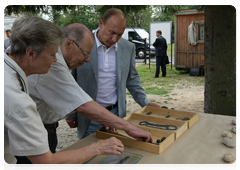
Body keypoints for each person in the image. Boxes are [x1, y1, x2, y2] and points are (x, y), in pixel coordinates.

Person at [22, 22, 153, 169]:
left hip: (43, 128)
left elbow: (72, 97)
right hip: (30, 133)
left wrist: (104, 118)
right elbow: (83, 104)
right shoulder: (53, 63)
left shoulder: (57, 59)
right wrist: (129, 128)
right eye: (85, 54)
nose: (87, 60)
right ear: (69, 44)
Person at [4, 17, 124, 170]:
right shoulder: (18, 101)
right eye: (52, 54)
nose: (55, 60)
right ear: (31, 54)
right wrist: (98, 148)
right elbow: (48, 163)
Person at [66, 8, 161, 139]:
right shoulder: (82, 44)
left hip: (117, 115)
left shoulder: (128, 47)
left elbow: (132, 79)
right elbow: (70, 80)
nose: (114, 38)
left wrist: (145, 102)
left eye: (120, 35)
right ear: (101, 24)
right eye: (112, 32)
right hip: (89, 117)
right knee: (91, 156)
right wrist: (70, 113)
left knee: (117, 155)